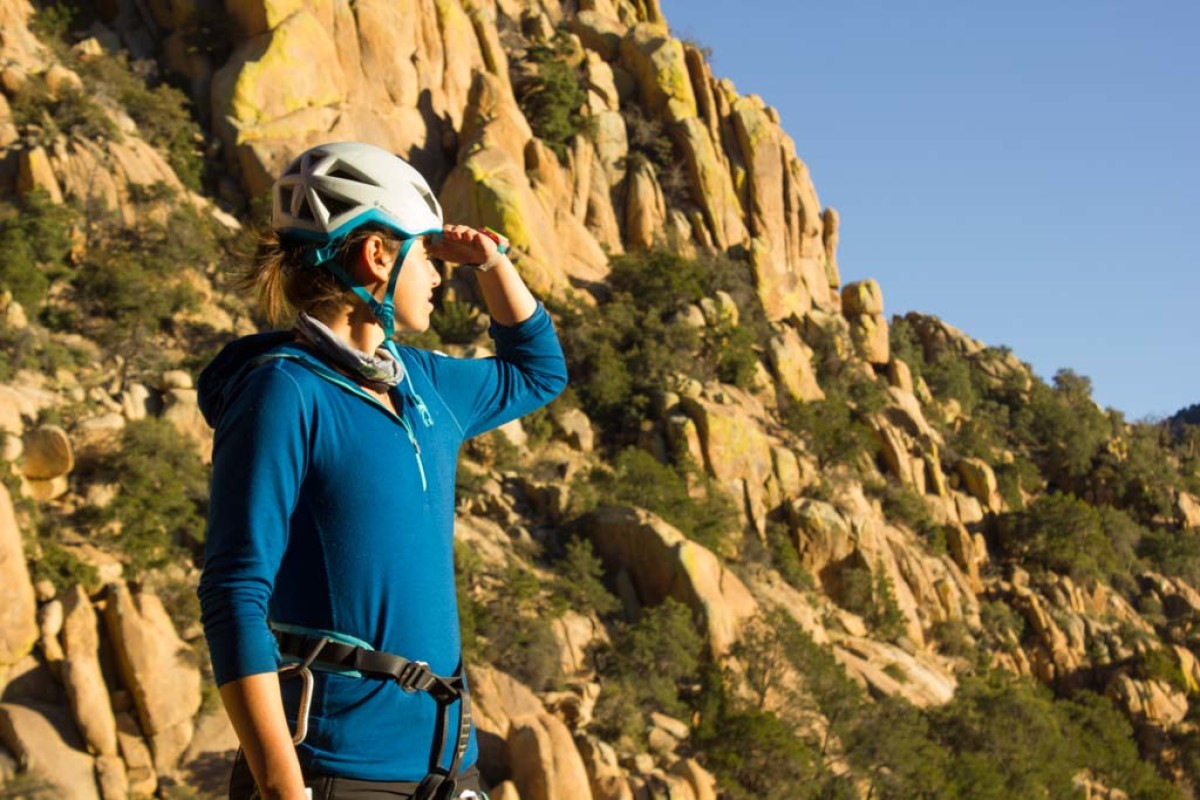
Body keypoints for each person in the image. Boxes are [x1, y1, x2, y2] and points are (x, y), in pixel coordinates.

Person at [197, 141, 567, 800]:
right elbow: (233, 593)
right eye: (424, 256)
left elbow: (538, 372)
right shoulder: (284, 392)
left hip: (449, 768)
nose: (438, 275)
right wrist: (283, 789)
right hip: (337, 774)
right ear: (377, 257)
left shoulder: (423, 382)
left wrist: (493, 262)